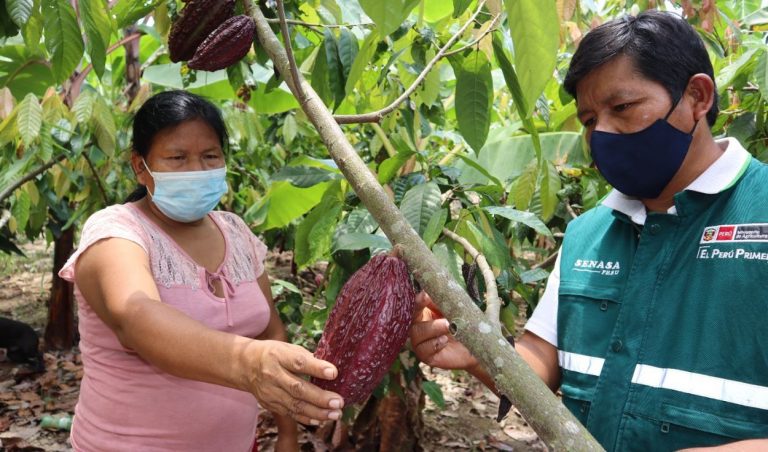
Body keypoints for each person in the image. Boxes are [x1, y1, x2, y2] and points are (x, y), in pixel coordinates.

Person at [410, 10, 768, 452]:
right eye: (589, 120)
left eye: (622, 108)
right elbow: (541, 362)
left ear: (697, 96)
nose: (603, 134)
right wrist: (479, 355)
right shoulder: (587, 233)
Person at [59, 90, 343, 451]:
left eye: (210, 156)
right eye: (177, 157)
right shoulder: (115, 232)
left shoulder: (236, 231)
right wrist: (248, 363)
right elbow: (136, 317)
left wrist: (287, 432)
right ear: (139, 166)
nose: (196, 170)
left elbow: (270, 333)